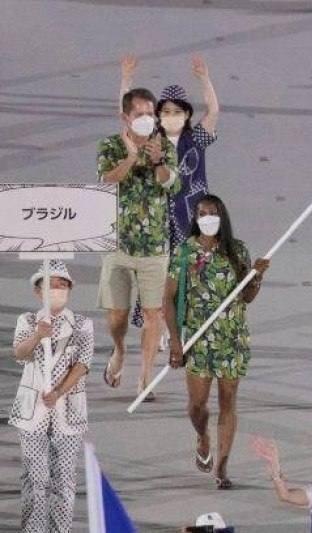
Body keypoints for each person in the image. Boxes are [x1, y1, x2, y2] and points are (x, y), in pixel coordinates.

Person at [164, 194, 269, 489]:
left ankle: (222, 466)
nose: (208, 216)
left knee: (228, 401)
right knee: (197, 406)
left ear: (222, 215)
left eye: (213, 211)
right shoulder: (184, 252)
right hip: (198, 341)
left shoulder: (236, 251)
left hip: (231, 339)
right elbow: (168, 299)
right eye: (202, 212)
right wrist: (175, 341)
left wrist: (256, 277)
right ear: (195, 218)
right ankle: (202, 435)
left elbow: (245, 297)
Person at [120, 54, 219, 338]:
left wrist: (204, 78)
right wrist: (126, 79)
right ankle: (159, 325)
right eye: (165, 112)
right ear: (158, 116)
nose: (171, 117)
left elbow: (213, 111)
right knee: (157, 274)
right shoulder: (150, 142)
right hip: (160, 218)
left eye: (177, 111)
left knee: (191, 270)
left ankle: (188, 321)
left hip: (190, 218)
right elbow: (126, 116)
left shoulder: (195, 140)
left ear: (187, 114)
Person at [97, 87, 179, 401]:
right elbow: (107, 180)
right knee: (117, 317)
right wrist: (132, 156)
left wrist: (158, 161)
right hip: (118, 245)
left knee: (153, 314)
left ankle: (145, 379)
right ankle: (119, 351)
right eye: (139, 114)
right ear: (125, 117)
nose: (146, 119)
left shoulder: (164, 147)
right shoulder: (109, 145)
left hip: (155, 249)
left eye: (150, 113)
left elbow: (173, 183)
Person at [10, 260, 94, 532]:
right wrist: (38, 335)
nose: (57, 289)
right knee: (34, 477)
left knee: (64, 480)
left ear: (70, 289)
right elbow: (19, 353)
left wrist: (58, 392)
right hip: (33, 412)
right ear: (38, 292)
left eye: (62, 284)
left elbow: (83, 364)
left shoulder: (82, 324)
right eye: (50, 284)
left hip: (68, 412)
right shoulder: (27, 320)